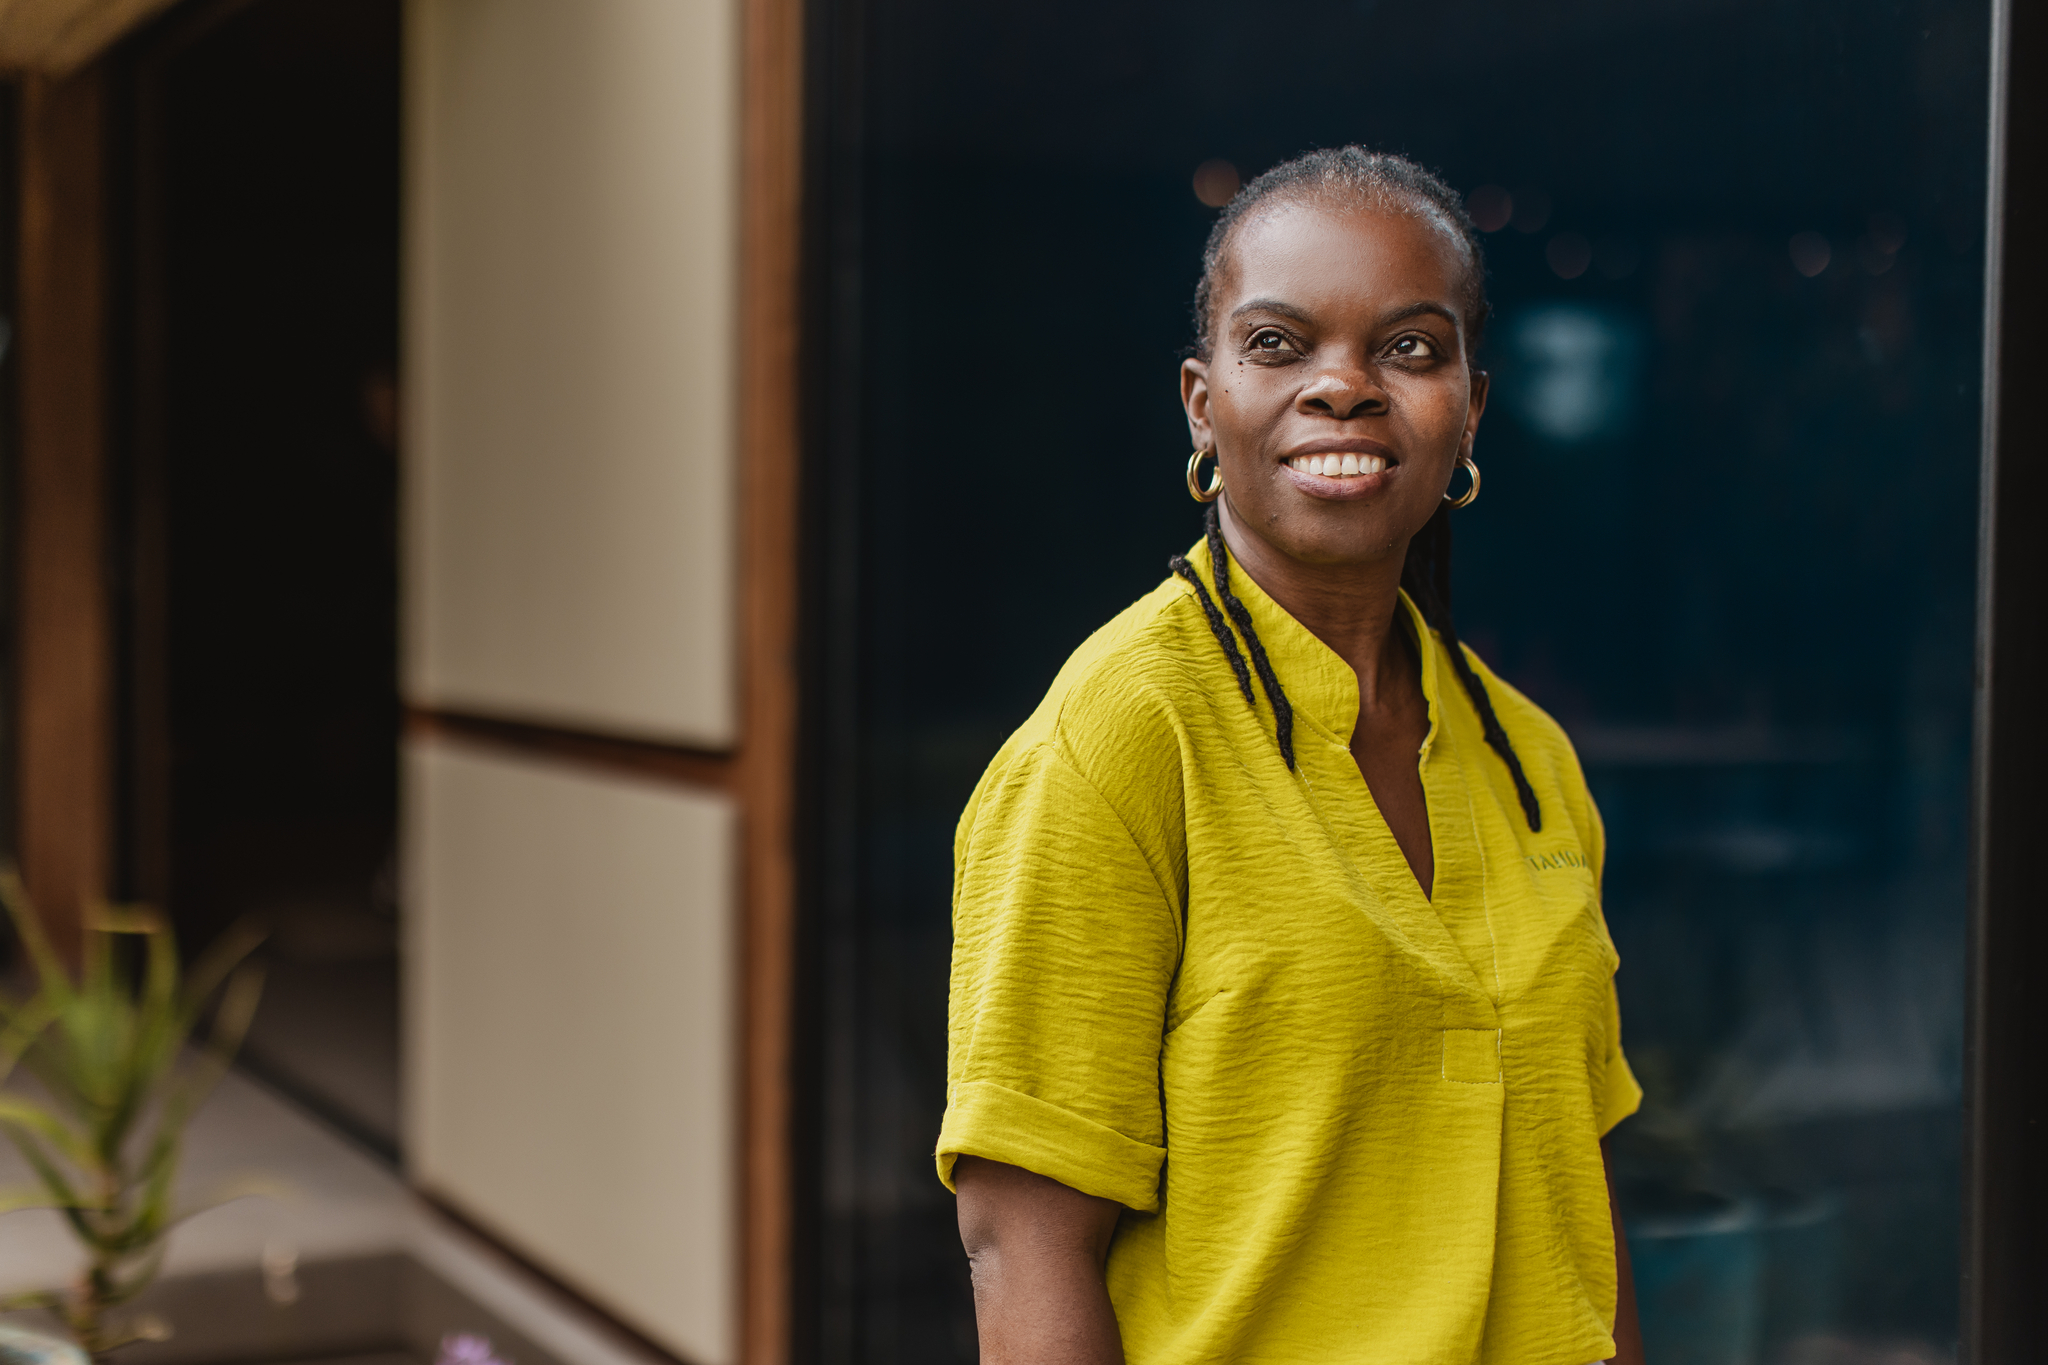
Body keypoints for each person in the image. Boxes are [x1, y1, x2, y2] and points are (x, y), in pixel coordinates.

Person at [937, 147, 1646, 1365]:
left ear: (1470, 406)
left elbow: (1576, 1190)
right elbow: (1022, 1247)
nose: (1344, 388)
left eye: (1410, 348)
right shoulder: (1117, 741)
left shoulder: (1525, 760)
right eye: (1277, 345)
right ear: (1201, 404)